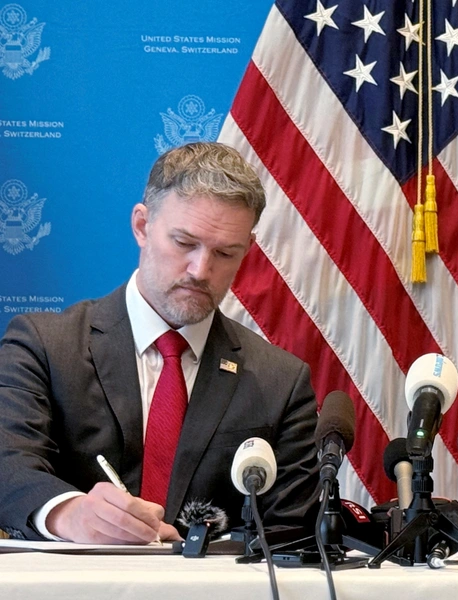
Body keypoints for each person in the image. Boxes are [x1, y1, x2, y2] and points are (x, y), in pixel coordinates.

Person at [0, 142, 320, 543]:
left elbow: (288, 531)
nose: (201, 270)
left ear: (248, 251)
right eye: (184, 243)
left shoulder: (281, 382)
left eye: (225, 252)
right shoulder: (45, 346)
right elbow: (8, 463)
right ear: (141, 226)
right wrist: (70, 513)